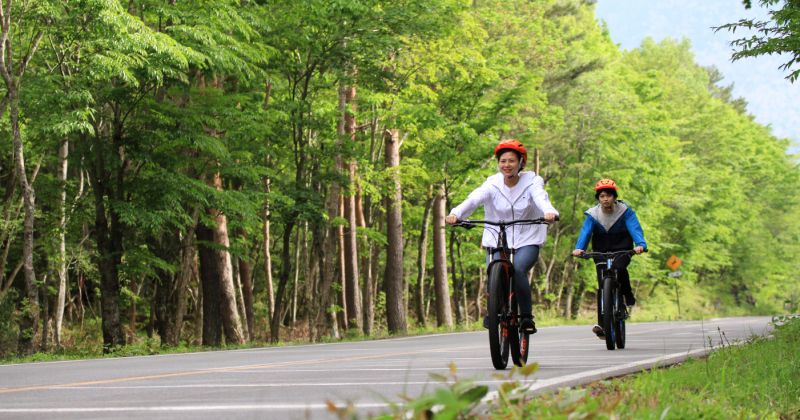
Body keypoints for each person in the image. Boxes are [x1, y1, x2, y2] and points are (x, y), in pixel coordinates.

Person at [445, 139, 559, 334]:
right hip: (497, 237)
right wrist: (456, 214)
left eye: (511, 161)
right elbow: (474, 198)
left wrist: (549, 212)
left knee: (519, 269)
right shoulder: (492, 183)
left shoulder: (532, 181)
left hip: (527, 238)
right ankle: (495, 307)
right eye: (503, 161)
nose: (506, 165)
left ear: (521, 162)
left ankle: (526, 317)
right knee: (493, 272)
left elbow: (540, 197)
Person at [571, 178, 647, 338]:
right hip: (601, 248)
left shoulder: (625, 211)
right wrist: (579, 248)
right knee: (602, 283)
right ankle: (603, 324)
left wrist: (640, 244)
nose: (605, 199)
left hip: (622, 246)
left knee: (619, 268)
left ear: (614, 197)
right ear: (598, 198)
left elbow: (634, 228)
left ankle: (626, 294)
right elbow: (586, 232)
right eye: (602, 196)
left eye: (609, 196)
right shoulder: (593, 214)